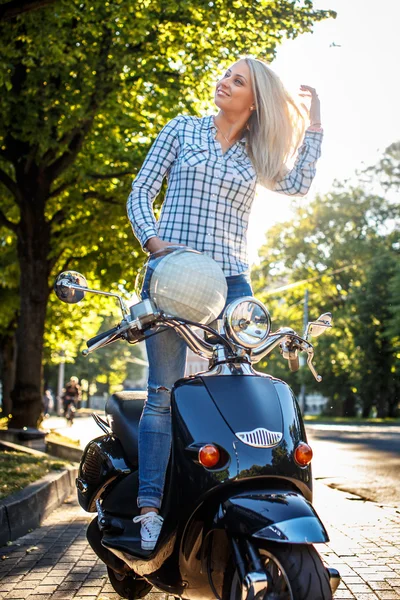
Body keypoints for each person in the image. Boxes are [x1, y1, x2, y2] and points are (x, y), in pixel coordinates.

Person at [126, 56, 323, 550]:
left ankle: (237, 493)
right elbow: (141, 191)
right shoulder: (183, 129)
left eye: (238, 81)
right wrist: (152, 242)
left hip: (232, 282)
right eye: (226, 75)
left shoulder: (258, 154)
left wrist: (315, 124)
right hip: (172, 274)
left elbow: (297, 184)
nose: (225, 82)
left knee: (242, 383)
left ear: (254, 100)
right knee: (163, 393)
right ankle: (150, 510)